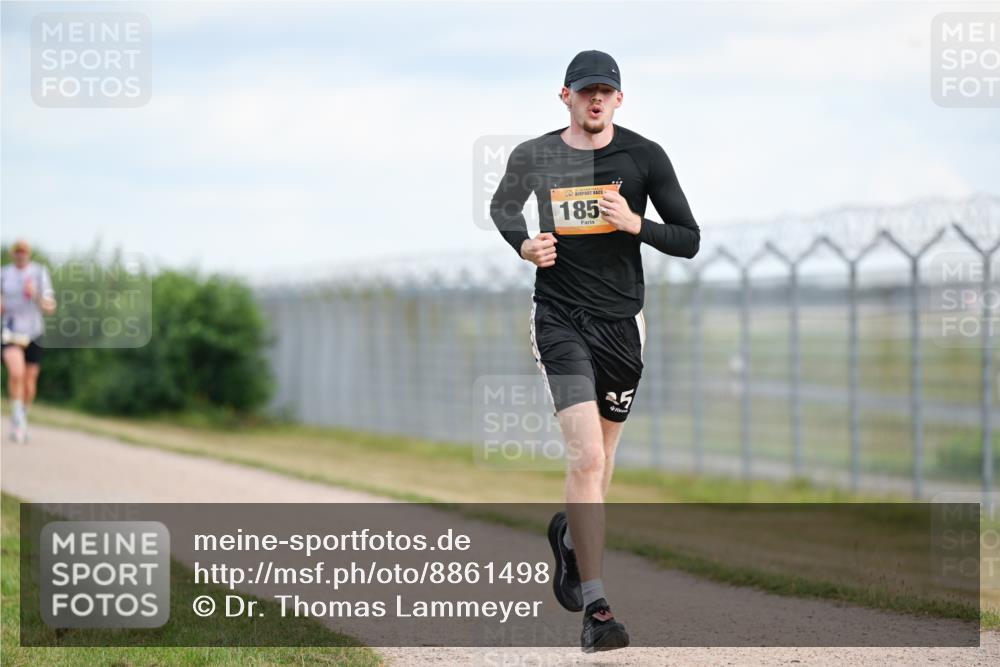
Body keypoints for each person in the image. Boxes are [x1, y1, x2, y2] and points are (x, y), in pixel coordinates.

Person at [490, 50, 700, 653]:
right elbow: (503, 207)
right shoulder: (534, 155)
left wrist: (637, 224)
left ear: (620, 99)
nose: (596, 100)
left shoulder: (643, 156)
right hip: (558, 318)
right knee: (584, 459)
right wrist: (523, 245)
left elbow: (688, 239)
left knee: (601, 468)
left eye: (606, 91)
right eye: (586, 92)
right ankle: (598, 607)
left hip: (622, 324)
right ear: (566, 97)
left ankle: (568, 540)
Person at [1, 240, 56, 443]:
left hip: (33, 333)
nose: (20, 256)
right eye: (17, 252)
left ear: (29, 255)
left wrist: (35, 295)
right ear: (13, 254)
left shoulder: (40, 273)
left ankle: (22, 416)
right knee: (16, 373)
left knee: (29, 381)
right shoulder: (4, 274)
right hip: (10, 331)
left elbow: (50, 307)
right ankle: (18, 422)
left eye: (24, 252)